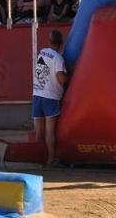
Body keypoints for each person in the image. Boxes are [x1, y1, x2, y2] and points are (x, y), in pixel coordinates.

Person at [33, 29, 68, 166]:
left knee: (39, 132)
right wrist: (69, 75)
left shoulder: (42, 52)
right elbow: (61, 79)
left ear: (49, 41)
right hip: (50, 97)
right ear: (61, 44)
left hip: (37, 94)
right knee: (49, 131)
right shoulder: (58, 58)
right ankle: (50, 159)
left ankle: (37, 157)